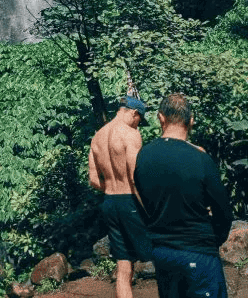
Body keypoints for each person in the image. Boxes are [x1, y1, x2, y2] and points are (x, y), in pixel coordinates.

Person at [134, 93, 232, 298]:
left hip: (163, 254)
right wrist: (215, 239)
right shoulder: (200, 158)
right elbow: (224, 211)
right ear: (191, 120)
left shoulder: (143, 156)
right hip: (198, 251)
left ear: (160, 118)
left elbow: (142, 202)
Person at [88, 95, 152, 298]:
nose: (139, 124)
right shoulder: (131, 134)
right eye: (139, 119)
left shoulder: (97, 136)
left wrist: (113, 189)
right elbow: (135, 178)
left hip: (110, 203)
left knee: (124, 267)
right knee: (162, 255)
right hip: (130, 201)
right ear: (134, 113)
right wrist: (151, 209)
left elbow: (93, 181)